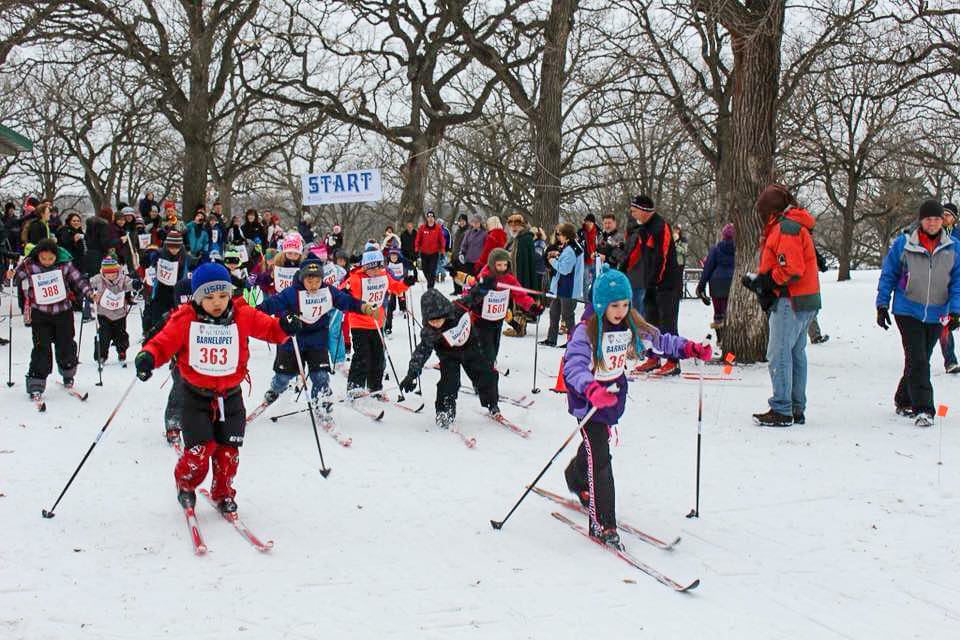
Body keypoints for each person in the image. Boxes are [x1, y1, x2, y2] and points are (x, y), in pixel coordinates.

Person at [135, 262, 302, 513]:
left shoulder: (242, 314)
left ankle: (223, 492)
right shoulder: (185, 319)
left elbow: (270, 329)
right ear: (198, 297)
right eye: (209, 297)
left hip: (230, 396)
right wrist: (148, 357)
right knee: (200, 450)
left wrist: (285, 326)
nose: (217, 303)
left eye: (223, 295)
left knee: (228, 451)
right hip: (195, 396)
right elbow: (162, 344)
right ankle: (186, 484)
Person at [561, 266, 710, 547]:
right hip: (588, 400)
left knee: (596, 447)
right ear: (601, 304)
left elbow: (661, 342)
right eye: (614, 305)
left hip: (612, 396)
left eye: (625, 304)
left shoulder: (631, 327)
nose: (620, 311)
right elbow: (574, 366)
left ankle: (575, 477)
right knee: (601, 458)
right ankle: (603, 524)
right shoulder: (586, 332)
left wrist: (690, 348)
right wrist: (590, 388)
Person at [876, 199, 960, 427]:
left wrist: (956, 310)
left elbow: (957, 281)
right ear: (921, 221)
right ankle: (924, 408)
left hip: (937, 311)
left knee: (919, 358)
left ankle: (903, 399)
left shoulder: (953, 246)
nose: (933, 223)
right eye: (928, 219)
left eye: (936, 219)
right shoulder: (904, 243)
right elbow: (888, 274)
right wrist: (882, 304)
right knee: (918, 359)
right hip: (907, 309)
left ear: (942, 222)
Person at [744, 184, 821, 427]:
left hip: (791, 299)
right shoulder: (794, 224)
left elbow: (791, 268)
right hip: (805, 298)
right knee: (796, 353)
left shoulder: (786, 228)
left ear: (769, 211)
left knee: (778, 353)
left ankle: (782, 408)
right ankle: (796, 407)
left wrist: (766, 282)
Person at [257, 258, 372, 415]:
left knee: (321, 376)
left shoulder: (328, 291)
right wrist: (255, 312)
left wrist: (362, 306)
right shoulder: (292, 292)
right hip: (293, 340)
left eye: (317, 281)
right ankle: (274, 390)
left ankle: (321, 400)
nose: (313, 285)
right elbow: (273, 303)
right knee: (284, 376)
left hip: (317, 340)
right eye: (309, 281)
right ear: (302, 278)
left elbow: (344, 300)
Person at [398, 288, 501, 427]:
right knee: (448, 383)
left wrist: (488, 283)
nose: (436, 324)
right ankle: (445, 412)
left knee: (485, 374)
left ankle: (492, 404)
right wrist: (412, 373)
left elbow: (475, 295)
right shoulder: (430, 331)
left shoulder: (458, 307)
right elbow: (422, 352)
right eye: (431, 321)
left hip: (471, 348)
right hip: (448, 356)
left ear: (445, 313)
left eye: (438, 320)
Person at [13, 238, 94, 399]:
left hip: (63, 312)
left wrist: (90, 293)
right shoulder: (30, 266)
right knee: (41, 347)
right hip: (40, 313)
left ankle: (68, 370)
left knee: (66, 345)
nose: (48, 262)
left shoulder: (64, 265)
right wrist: (11, 275)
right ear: (38, 256)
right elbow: (16, 278)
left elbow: (78, 279)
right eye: (44, 258)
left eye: (51, 259)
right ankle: (36, 382)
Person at [342, 247, 408, 395]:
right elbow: (341, 291)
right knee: (362, 355)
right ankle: (355, 387)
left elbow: (396, 287)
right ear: (364, 267)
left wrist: (406, 283)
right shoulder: (356, 277)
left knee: (378, 356)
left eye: (378, 267)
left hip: (377, 322)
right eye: (371, 269)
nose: (374, 272)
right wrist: (345, 292)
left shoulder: (384, 275)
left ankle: (375, 387)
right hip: (359, 322)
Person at [630, 196, 684, 376]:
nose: (632, 212)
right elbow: (636, 253)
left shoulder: (661, 227)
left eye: (634, 209)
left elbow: (664, 256)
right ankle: (653, 357)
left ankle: (673, 361)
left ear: (645, 210)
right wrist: (621, 268)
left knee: (668, 323)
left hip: (667, 284)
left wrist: (656, 281)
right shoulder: (643, 229)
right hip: (651, 284)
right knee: (650, 323)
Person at [462, 248, 539, 367]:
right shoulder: (484, 276)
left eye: (505, 264)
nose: (502, 268)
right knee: (485, 342)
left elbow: (520, 295)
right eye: (499, 265)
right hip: (481, 318)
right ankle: (486, 365)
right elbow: (470, 292)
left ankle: (490, 360)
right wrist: (465, 304)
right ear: (492, 264)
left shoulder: (509, 279)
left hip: (498, 317)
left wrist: (532, 306)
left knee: (495, 342)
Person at [541, 223, 584, 347]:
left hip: (568, 288)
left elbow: (565, 269)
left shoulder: (571, 249)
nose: (558, 236)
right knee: (554, 313)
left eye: (560, 234)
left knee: (567, 316)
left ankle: (573, 342)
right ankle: (551, 339)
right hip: (561, 287)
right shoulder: (570, 246)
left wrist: (552, 260)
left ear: (566, 236)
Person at [90, 256, 134, 364]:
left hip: (119, 313)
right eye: (108, 273)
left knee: (121, 335)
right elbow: (88, 285)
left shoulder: (122, 278)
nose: (111, 276)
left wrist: (135, 284)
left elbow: (129, 283)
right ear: (103, 272)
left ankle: (122, 350)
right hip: (103, 313)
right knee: (104, 335)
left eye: (113, 273)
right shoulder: (98, 279)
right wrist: (87, 289)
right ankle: (101, 355)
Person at [504, 212, 538, 337]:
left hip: (522, 275)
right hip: (515, 275)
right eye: (511, 225)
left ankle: (520, 328)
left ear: (521, 225)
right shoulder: (517, 238)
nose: (513, 228)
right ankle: (518, 327)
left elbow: (523, 261)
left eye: (516, 225)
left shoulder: (524, 239)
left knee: (519, 301)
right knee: (515, 301)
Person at [696, 223, 735, 329]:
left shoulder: (715, 249)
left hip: (716, 283)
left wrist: (701, 286)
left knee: (718, 312)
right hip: (732, 282)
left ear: (723, 235)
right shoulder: (739, 250)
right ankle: (729, 332)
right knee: (729, 311)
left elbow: (707, 268)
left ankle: (720, 338)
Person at [939, 203, 959, 373]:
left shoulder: (957, 236)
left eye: (948, 215)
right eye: (943, 214)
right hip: (938, 287)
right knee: (943, 324)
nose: (945, 217)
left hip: (957, 285)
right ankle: (950, 361)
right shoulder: (933, 233)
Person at [623, 197, 648, 312]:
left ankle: (639, 329)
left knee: (637, 309)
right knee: (636, 307)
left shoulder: (637, 234)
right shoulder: (637, 233)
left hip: (637, 276)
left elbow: (632, 257)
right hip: (637, 276)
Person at [415, 210, 445, 289]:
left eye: (432, 217)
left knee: (432, 271)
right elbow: (418, 240)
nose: (430, 218)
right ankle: (430, 281)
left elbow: (442, 240)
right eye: (429, 217)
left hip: (434, 253)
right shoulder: (422, 228)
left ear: (434, 218)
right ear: (427, 219)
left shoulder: (438, 228)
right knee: (425, 270)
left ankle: (430, 287)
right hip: (424, 253)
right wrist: (417, 249)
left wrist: (442, 251)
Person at [458, 214, 487, 283]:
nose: (475, 223)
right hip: (469, 261)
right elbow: (464, 245)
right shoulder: (468, 233)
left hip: (479, 262)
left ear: (480, 223)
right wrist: (462, 253)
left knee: (478, 280)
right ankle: (469, 292)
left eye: (477, 221)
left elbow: (486, 247)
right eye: (474, 221)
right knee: (469, 280)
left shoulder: (485, 234)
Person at [450, 214, 469, 294]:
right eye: (460, 221)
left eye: (463, 221)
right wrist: (452, 254)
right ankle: (457, 290)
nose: (461, 222)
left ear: (466, 221)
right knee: (455, 273)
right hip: (455, 255)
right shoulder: (458, 231)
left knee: (462, 274)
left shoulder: (468, 231)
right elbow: (455, 244)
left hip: (463, 256)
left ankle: (464, 290)